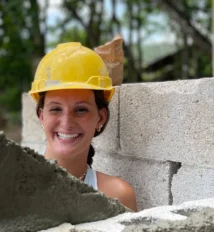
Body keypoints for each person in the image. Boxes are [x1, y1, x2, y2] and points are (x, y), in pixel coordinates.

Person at [29, 42, 138, 212]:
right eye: (56, 109)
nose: (66, 122)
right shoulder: (13, 189)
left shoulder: (117, 197)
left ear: (100, 118)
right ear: (42, 116)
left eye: (81, 110)